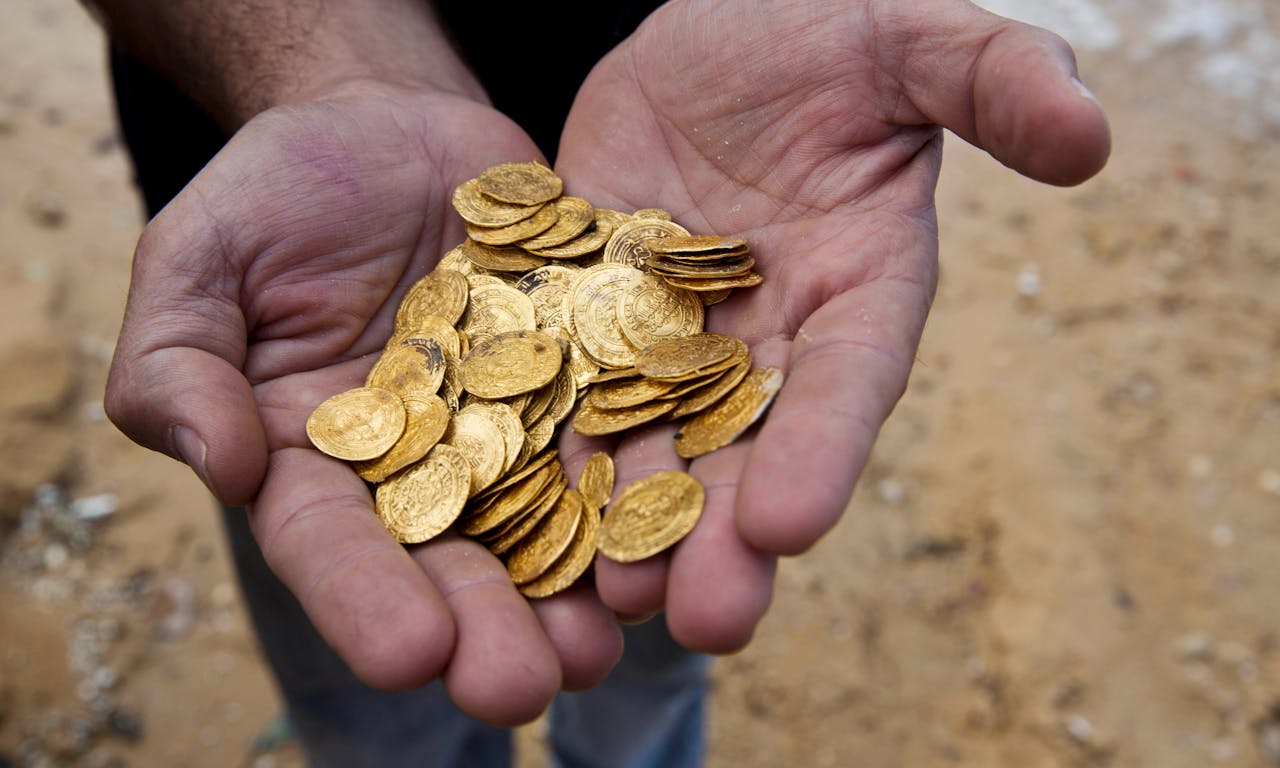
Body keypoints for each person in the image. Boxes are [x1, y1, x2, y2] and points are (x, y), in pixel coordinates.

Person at [91, 0, 1111, 765]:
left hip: (720, 140)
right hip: (326, 286)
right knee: (379, 699)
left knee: (655, 629)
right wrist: (326, 71)